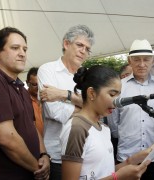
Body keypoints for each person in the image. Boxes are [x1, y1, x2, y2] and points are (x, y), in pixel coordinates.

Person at [0, 27, 50, 180]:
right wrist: (37, 168)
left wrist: (44, 155)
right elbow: (7, 139)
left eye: (24, 49)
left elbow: (32, 126)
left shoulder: (20, 87)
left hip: (29, 172)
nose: (22, 53)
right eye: (15, 48)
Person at [61, 65, 154, 180]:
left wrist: (133, 159)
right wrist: (118, 177)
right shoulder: (77, 128)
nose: (117, 102)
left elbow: (105, 172)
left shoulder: (104, 128)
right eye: (112, 94)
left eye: (118, 95)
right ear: (91, 93)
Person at [38, 24, 94, 179]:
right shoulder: (47, 70)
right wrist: (86, 107)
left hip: (86, 153)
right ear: (66, 44)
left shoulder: (89, 77)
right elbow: (54, 112)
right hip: (57, 155)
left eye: (87, 49)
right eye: (80, 45)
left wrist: (65, 95)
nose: (83, 51)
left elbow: (98, 110)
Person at [108, 39, 154, 180]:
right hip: (127, 158)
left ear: (153, 60)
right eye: (136, 60)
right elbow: (113, 124)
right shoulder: (119, 86)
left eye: (146, 59)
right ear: (129, 61)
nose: (142, 64)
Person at [26, 67, 44, 136]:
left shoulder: (49, 98)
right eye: (34, 84)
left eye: (40, 84)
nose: (38, 87)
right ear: (27, 83)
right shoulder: (23, 100)